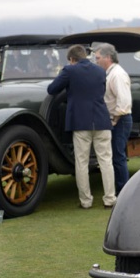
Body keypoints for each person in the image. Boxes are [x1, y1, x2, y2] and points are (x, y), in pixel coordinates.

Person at [47, 44, 116, 210]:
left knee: (82, 163)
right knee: (106, 161)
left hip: (80, 121)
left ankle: (86, 201)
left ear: (72, 59)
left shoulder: (70, 70)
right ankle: (109, 198)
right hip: (101, 120)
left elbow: (52, 89)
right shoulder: (101, 71)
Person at [93, 42, 132, 195]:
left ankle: (124, 191)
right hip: (116, 119)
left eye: (97, 58)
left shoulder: (117, 74)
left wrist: (113, 120)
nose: (96, 61)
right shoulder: (111, 73)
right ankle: (119, 189)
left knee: (118, 156)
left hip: (120, 120)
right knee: (116, 156)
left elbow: (124, 102)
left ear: (107, 57)